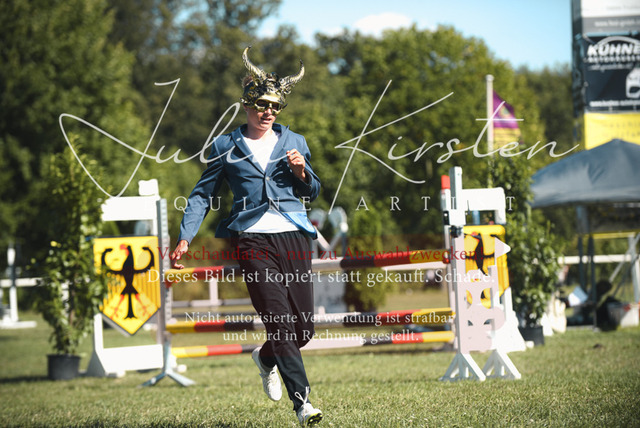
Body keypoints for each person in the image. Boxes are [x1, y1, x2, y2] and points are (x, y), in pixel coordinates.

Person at [170, 46, 323, 427]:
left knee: (303, 330)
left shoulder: (296, 141)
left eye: (275, 107)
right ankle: (303, 404)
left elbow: (313, 191)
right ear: (247, 105)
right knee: (279, 321)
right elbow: (202, 194)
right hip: (251, 239)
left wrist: (302, 173)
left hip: (294, 235)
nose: (268, 112)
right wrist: (186, 236)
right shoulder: (225, 146)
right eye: (262, 105)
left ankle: (266, 357)